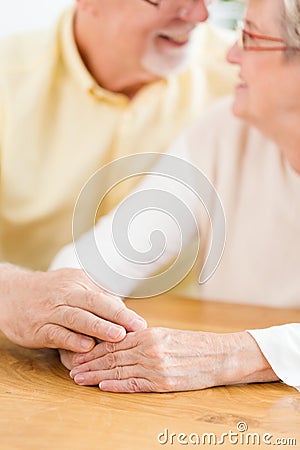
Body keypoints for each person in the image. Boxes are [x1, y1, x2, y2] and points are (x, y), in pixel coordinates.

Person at [52, 0, 300, 392]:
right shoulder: (224, 131)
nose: (230, 54)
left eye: (249, 37)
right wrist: (81, 322)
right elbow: (103, 255)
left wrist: (238, 355)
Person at [0, 1, 236, 351]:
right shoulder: (9, 75)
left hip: (179, 356)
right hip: (18, 356)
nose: (200, 15)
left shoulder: (249, 77)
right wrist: (8, 291)